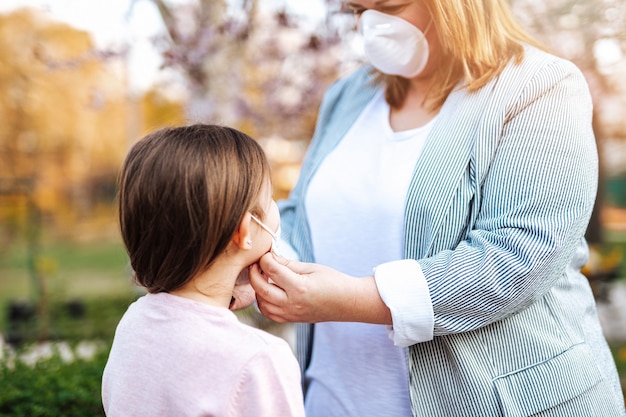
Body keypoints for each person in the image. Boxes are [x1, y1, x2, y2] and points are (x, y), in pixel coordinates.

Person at [248, 1, 626, 416]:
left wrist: (352, 299)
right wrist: (257, 262)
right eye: (357, 10)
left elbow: (520, 256)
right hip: (335, 398)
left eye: (389, 6)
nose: (371, 26)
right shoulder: (347, 95)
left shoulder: (540, 87)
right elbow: (302, 219)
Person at [101, 124, 305, 417]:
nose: (277, 208)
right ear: (244, 230)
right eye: (270, 197)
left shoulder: (133, 324)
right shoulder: (259, 359)